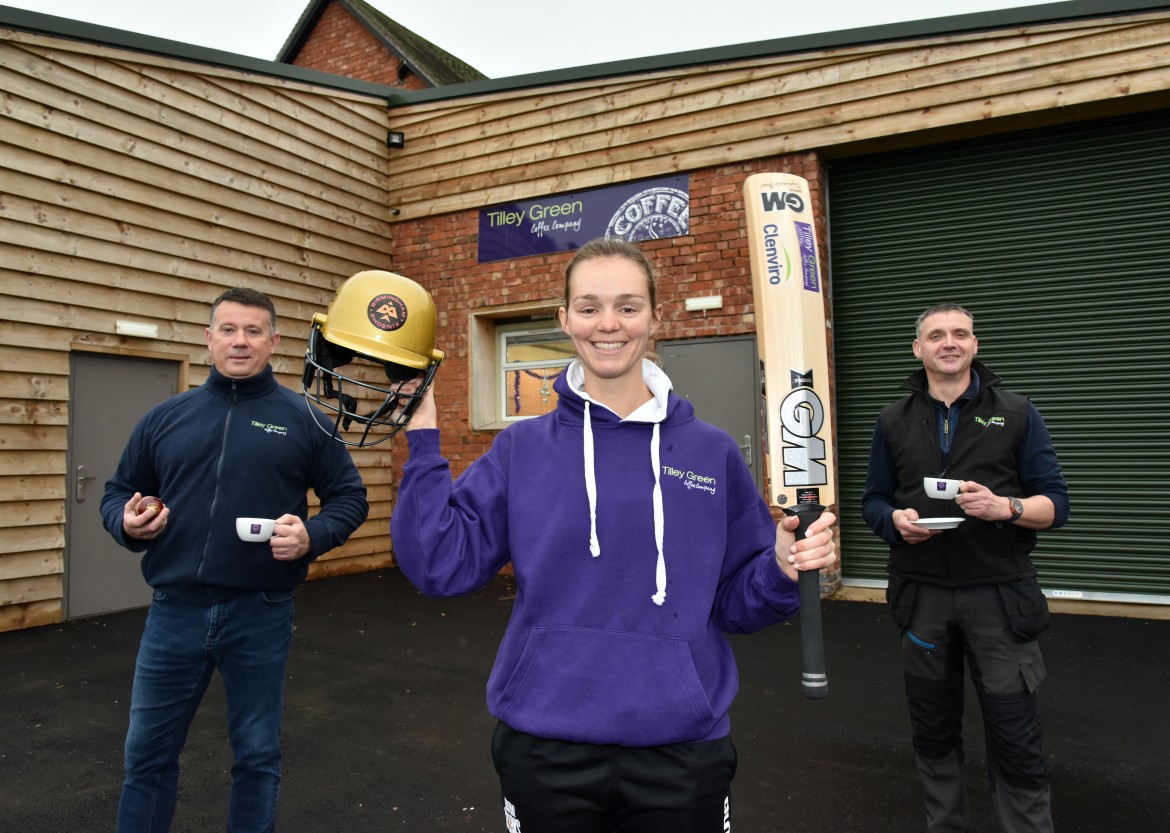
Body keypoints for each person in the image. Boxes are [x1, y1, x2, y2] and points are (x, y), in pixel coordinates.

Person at [389, 237, 837, 832]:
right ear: (564, 319)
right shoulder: (521, 449)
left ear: (656, 317)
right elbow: (439, 565)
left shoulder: (711, 452)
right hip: (547, 744)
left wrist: (780, 566)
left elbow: (736, 603)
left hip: (681, 749)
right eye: (589, 306)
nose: (609, 324)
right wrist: (422, 445)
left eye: (628, 306)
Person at [101, 287, 369, 833]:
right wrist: (127, 523)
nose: (239, 341)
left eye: (253, 331)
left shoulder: (306, 420)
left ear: (273, 342)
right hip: (173, 611)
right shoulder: (164, 419)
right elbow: (118, 491)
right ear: (208, 340)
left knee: (255, 757)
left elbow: (350, 498)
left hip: (260, 611)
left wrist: (312, 536)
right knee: (146, 757)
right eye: (228, 330)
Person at [861, 302, 1069, 833]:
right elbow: (873, 502)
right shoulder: (893, 419)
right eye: (936, 335)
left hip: (999, 597)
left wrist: (1009, 508)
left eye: (960, 333)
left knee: (1014, 731)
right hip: (922, 596)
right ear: (918, 349)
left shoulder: (1018, 411)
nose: (948, 342)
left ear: (975, 345)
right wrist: (896, 521)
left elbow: (1056, 505)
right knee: (932, 728)